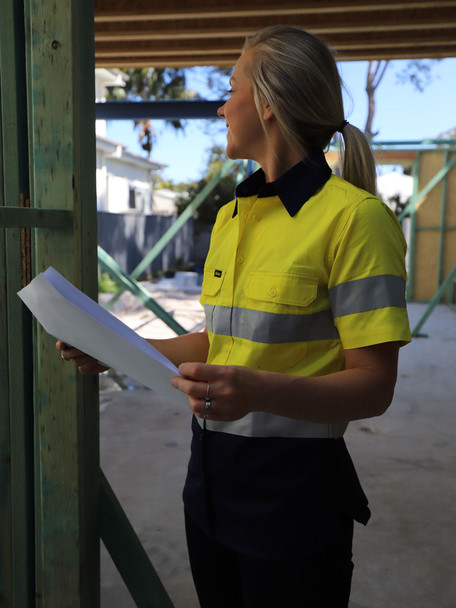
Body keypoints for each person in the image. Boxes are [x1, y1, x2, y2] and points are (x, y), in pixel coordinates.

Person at [58, 25, 411, 608]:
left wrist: (257, 390)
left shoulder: (356, 221)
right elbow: (216, 343)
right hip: (210, 488)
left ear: (269, 104)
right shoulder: (231, 218)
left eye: (231, 88)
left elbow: (373, 387)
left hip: (294, 499)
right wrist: (114, 347)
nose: (221, 106)